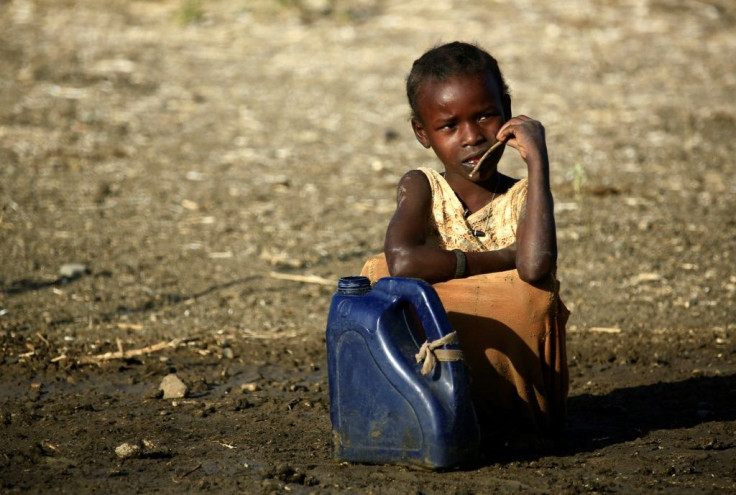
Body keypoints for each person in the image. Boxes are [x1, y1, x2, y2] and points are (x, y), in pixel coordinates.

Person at [360, 41, 569, 447]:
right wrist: (499, 259)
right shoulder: (423, 187)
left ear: (507, 114)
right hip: (430, 397)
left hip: (515, 415)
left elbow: (534, 268)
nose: (472, 137)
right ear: (423, 134)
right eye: (449, 126)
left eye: (486, 116)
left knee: (530, 295)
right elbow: (402, 261)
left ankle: (509, 421)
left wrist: (538, 161)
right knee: (378, 273)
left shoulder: (525, 197)